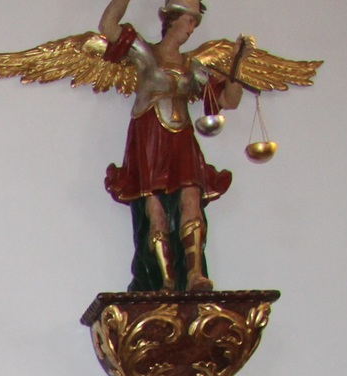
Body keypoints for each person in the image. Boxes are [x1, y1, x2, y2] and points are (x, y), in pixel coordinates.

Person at [97, 0, 247, 292]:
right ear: (172, 19)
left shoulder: (193, 67)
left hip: (182, 138)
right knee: (155, 210)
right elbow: (108, 27)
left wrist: (237, 62)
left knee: (191, 200)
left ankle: (195, 275)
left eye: (195, 23)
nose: (192, 29)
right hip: (149, 136)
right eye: (189, 21)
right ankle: (164, 281)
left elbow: (229, 100)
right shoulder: (146, 53)